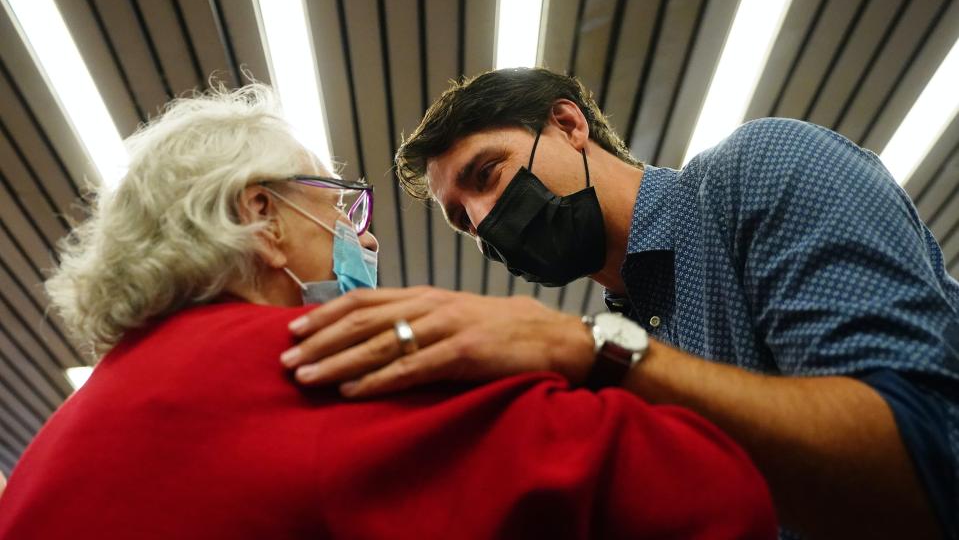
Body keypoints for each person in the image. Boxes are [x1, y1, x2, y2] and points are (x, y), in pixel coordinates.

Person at [0, 84, 777, 539]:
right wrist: (583, 349)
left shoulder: (46, 459)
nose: (358, 233)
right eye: (338, 203)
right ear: (261, 218)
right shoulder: (343, 360)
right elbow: (714, 493)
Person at [282, 68, 959, 539]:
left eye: (486, 175)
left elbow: (922, 477)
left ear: (569, 124)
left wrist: (589, 349)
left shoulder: (758, 170)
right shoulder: (624, 337)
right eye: (462, 221)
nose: (485, 221)